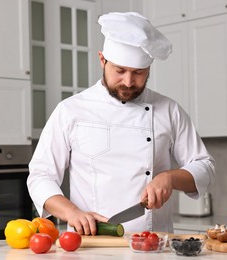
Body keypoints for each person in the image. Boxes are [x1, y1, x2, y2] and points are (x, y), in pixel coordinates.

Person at [27, 12, 216, 235]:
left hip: (153, 244)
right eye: (120, 70)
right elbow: (40, 176)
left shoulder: (169, 110)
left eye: (138, 73)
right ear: (102, 60)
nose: (128, 82)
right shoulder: (70, 110)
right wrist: (71, 212)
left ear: (149, 69)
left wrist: (169, 178)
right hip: (90, 244)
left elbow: (205, 167)